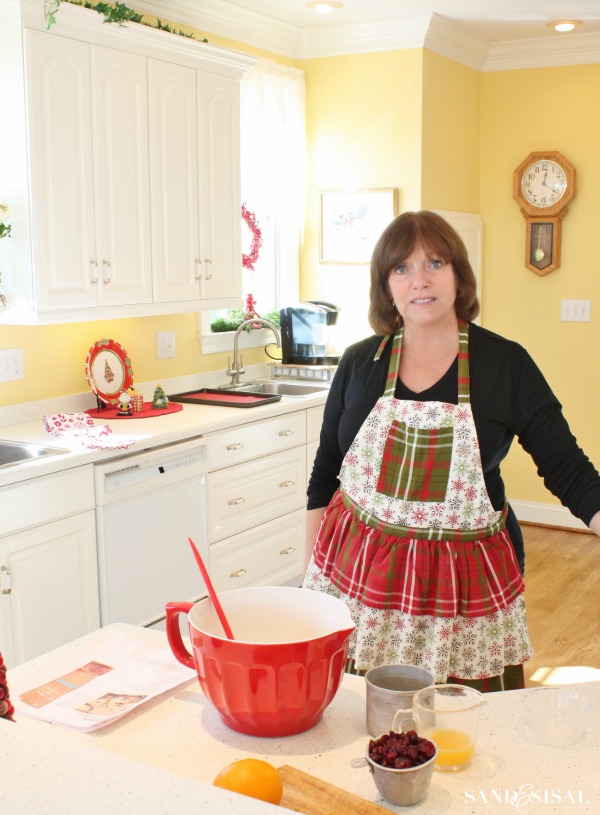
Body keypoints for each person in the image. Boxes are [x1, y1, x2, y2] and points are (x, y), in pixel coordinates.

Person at [303, 210, 600, 692]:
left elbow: (567, 468)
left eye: (435, 263)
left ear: (459, 275)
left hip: (461, 593)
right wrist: (308, 582)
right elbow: (324, 474)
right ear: (386, 286)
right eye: (401, 268)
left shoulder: (504, 364)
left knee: (466, 727)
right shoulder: (361, 361)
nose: (419, 280)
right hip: (358, 580)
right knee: (357, 719)